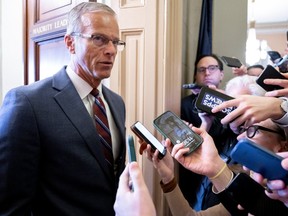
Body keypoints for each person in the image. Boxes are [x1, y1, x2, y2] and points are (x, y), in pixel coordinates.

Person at [0, 2, 126, 215]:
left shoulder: (116, 103)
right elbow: (10, 205)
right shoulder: (26, 103)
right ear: (70, 43)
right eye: (99, 39)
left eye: (115, 42)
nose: (111, 50)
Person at [142, 120, 288, 215]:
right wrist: (168, 177)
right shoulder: (239, 183)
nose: (240, 137)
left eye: (253, 130)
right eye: (243, 129)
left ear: (284, 146)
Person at [180, 54, 236, 211]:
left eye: (212, 68)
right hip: (195, 176)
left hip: (228, 172)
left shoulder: (232, 100)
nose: (207, 73)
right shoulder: (185, 105)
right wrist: (205, 123)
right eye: (202, 70)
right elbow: (188, 147)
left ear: (222, 74)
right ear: (196, 75)